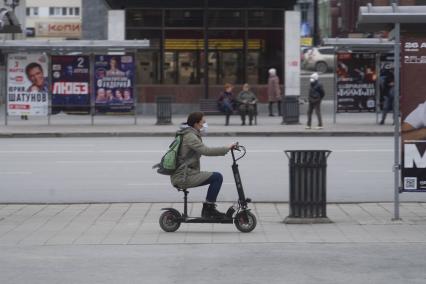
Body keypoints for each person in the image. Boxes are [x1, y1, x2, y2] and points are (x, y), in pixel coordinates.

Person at [170, 112, 237, 219]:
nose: (205, 124)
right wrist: (227, 148)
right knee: (217, 177)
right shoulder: (190, 136)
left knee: (216, 177)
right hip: (183, 176)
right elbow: (206, 151)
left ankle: (209, 209)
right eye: (203, 122)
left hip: (186, 173)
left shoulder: (190, 134)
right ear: (196, 124)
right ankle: (208, 210)